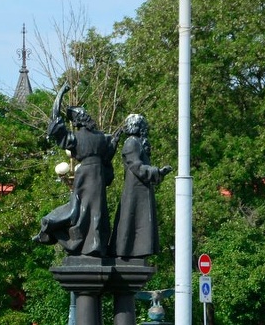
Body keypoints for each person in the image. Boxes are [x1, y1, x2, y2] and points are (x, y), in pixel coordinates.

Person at [35, 83, 117, 258]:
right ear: (82, 119)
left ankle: (85, 243)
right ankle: (94, 245)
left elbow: (55, 119)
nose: (86, 116)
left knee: (84, 210)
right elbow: (109, 155)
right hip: (95, 175)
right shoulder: (102, 137)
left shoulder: (82, 138)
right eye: (83, 114)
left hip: (88, 175)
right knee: (90, 210)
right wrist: (60, 95)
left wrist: (60, 95)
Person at [113, 113, 171, 260]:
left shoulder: (138, 142)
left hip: (141, 189)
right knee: (132, 219)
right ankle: (127, 251)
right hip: (135, 191)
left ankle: (135, 251)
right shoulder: (131, 142)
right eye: (142, 125)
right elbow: (137, 166)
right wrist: (156, 172)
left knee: (137, 221)